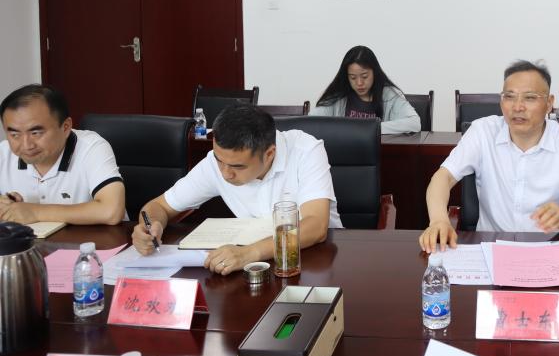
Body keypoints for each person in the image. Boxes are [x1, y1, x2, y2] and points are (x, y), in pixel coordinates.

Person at [131, 104, 341, 275]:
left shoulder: (305, 151)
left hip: (316, 260)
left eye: (238, 167)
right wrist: (151, 226)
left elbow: (316, 226)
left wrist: (250, 253)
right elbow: (159, 206)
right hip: (257, 267)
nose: (225, 173)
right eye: (219, 160)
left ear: (269, 154)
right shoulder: (219, 162)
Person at [419, 60, 559, 252]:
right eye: (509, 97)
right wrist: (438, 220)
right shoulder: (482, 131)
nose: (518, 107)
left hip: (547, 250)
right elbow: (443, 177)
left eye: (530, 98)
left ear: (549, 103)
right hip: (489, 248)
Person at [0, 84, 125, 225]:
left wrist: (35, 212)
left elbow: (111, 211)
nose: (26, 145)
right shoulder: (3, 153)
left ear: (65, 127)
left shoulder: (91, 147)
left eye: (36, 133)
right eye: (15, 134)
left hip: (97, 238)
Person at [310, 45, 421, 134]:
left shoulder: (389, 95)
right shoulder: (339, 95)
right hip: (343, 153)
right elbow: (311, 123)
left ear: (374, 73)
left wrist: (369, 129)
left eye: (364, 76)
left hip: (380, 153)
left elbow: (414, 123)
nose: (359, 83)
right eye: (353, 77)